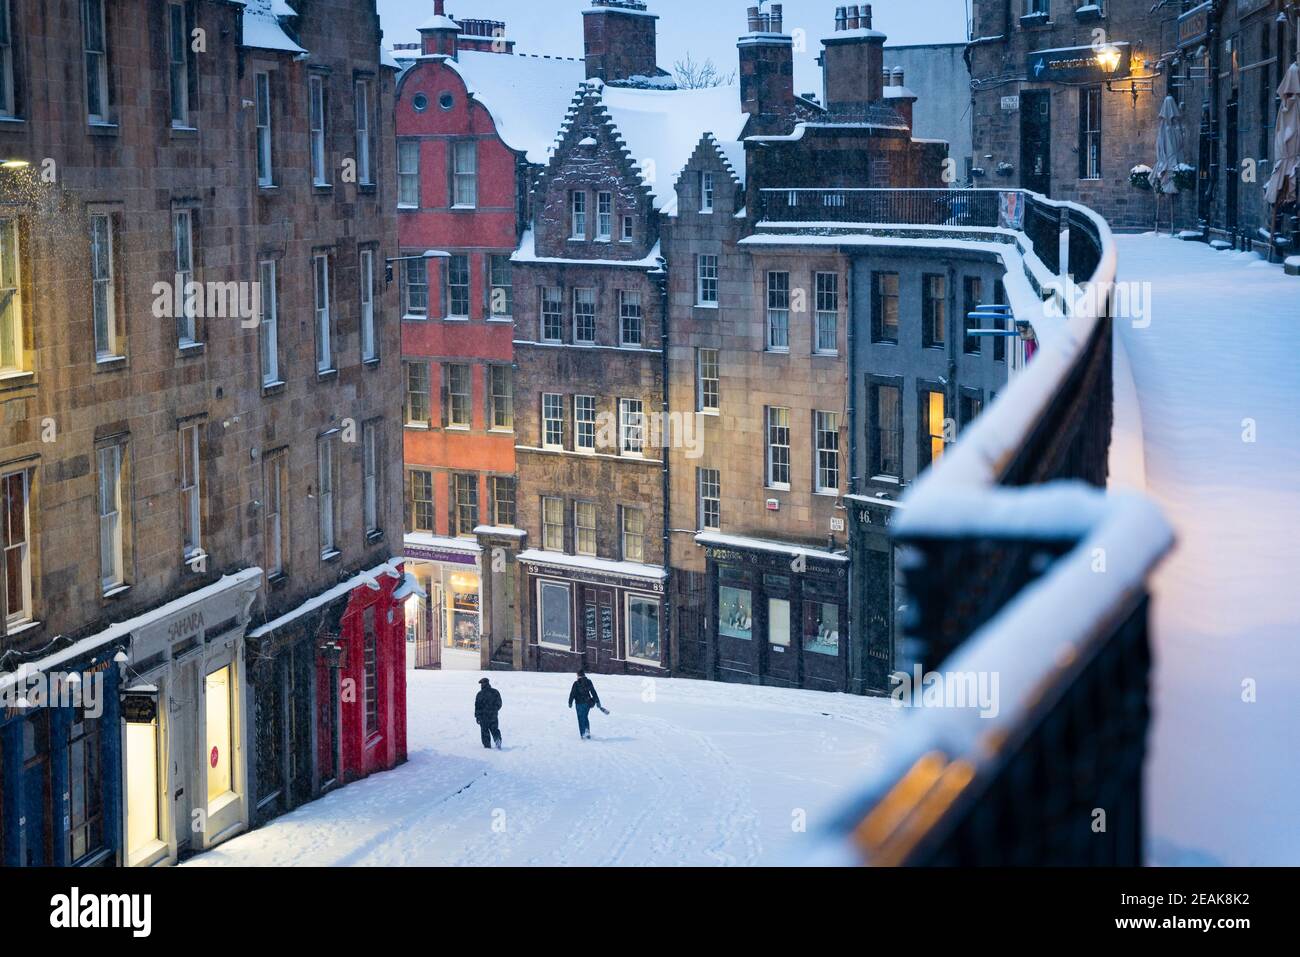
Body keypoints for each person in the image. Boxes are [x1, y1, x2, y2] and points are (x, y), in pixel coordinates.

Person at [568, 669, 606, 740]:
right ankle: (587, 731)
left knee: (580, 718)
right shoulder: (588, 682)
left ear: (578, 675)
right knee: (585, 717)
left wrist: (570, 702)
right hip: (587, 703)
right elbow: (593, 692)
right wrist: (597, 701)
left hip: (579, 703)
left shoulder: (576, 683)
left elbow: (572, 693)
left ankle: (583, 734)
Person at [475, 677, 502, 750]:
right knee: (494, 729)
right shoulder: (495, 692)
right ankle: (497, 740)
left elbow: (477, 706)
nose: (481, 685)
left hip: (483, 717)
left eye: (482, 684)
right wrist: (494, 710)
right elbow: (499, 703)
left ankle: (487, 747)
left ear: (483, 684)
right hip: (493, 715)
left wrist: (477, 717)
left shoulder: (480, 694)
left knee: (485, 731)